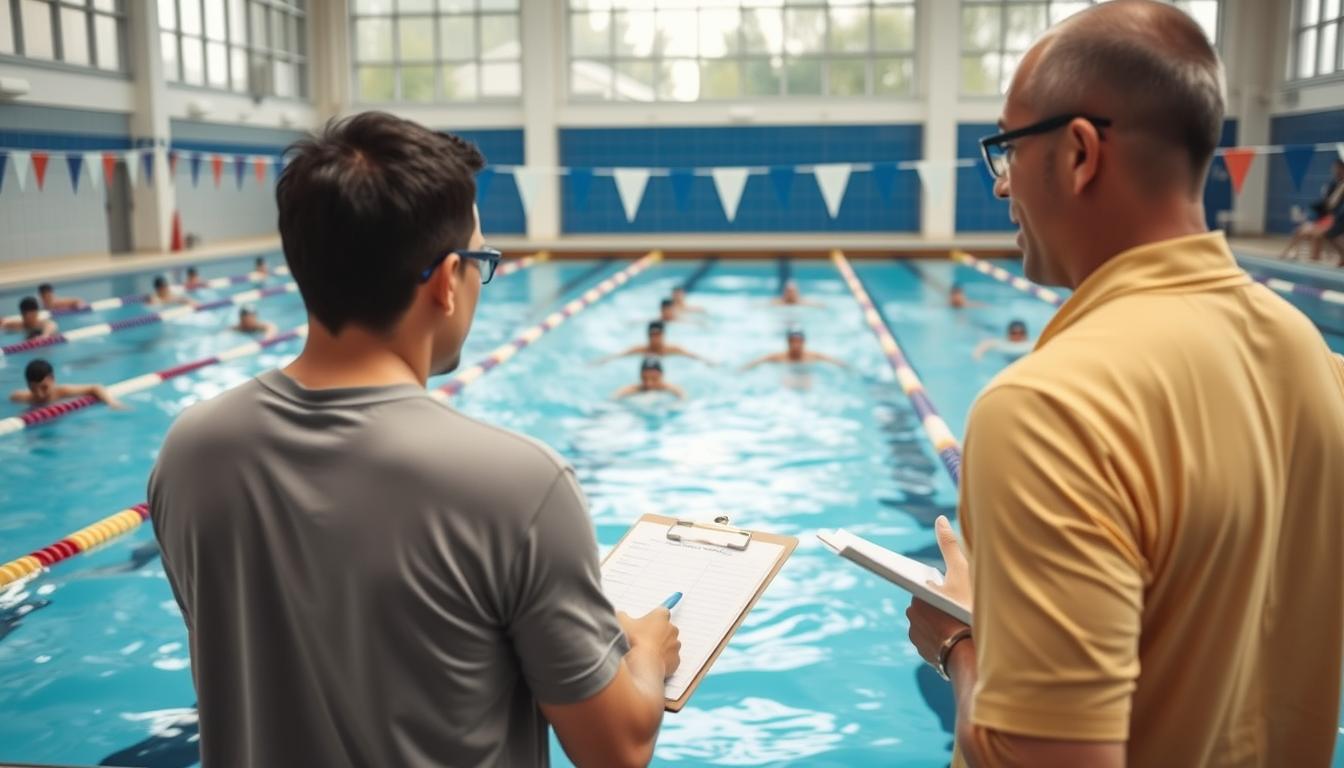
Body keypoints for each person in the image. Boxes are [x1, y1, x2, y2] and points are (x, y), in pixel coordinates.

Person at [149, 111, 680, 768]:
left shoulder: (192, 451)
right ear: (446, 281)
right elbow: (616, 750)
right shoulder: (518, 486)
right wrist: (648, 653)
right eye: (481, 262)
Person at [904, 4, 1344, 768]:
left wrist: (960, 644)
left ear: (1078, 153)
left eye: (1007, 152)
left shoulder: (1048, 411)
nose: (1003, 189)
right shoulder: (1310, 354)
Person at [10, 359, 124, 409]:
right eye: (33, 389)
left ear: (52, 379)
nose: (39, 394)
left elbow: (95, 387)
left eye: (44, 388)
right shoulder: (20, 397)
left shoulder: (62, 392)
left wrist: (112, 403)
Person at [593, 320, 710, 364]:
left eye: (657, 335)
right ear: (647, 336)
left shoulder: (673, 349)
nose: (655, 338)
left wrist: (708, 362)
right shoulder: (640, 349)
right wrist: (601, 361)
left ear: (663, 335)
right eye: (652, 335)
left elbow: (692, 356)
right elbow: (618, 356)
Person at [741, 327, 846, 370]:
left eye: (798, 342)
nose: (796, 345)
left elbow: (834, 361)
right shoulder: (779, 357)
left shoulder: (812, 356)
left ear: (803, 342)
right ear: (788, 342)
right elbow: (760, 360)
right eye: (793, 342)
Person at [613, 357, 686, 400]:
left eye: (654, 379)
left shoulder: (672, 388)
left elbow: (683, 398)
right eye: (644, 378)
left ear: (661, 376)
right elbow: (614, 398)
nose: (649, 383)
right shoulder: (634, 388)